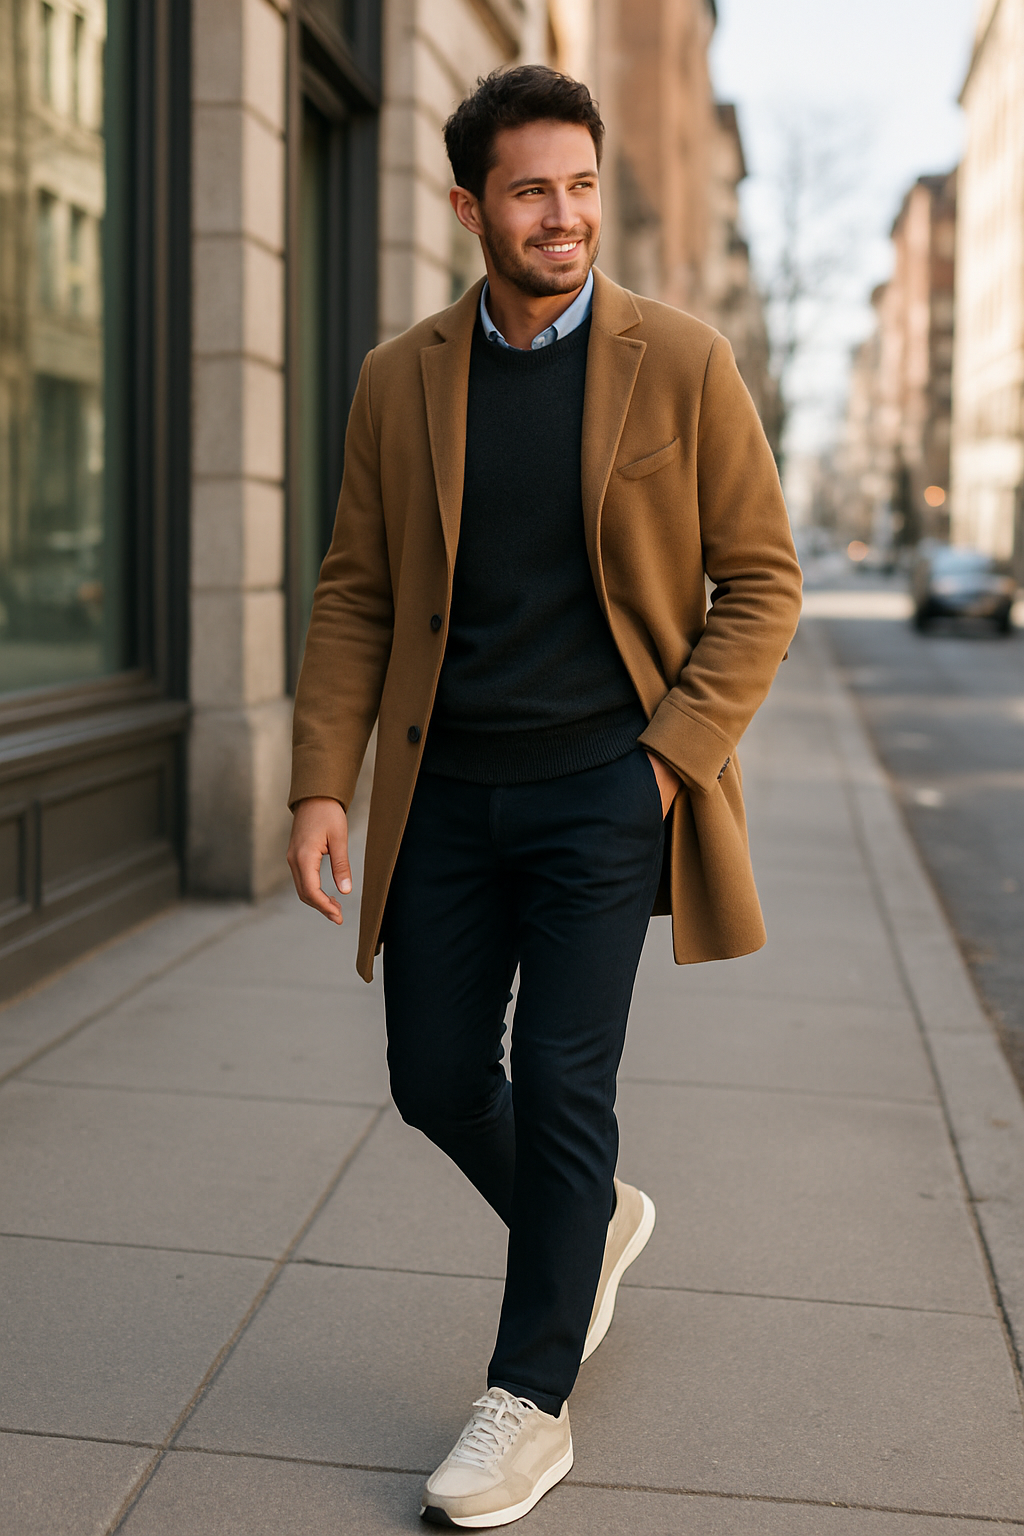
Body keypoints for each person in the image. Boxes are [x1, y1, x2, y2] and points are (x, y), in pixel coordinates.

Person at [287, 64, 802, 1530]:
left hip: (603, 792)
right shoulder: (403, 377)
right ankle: (599, 1226)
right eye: (532, 191)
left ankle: (528, 1402)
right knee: (438, 1080)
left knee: (570, 1086)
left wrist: (662, 763)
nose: (566, 215)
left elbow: (760, 583)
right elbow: (356, 593)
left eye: (579, 186)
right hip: (445, 793)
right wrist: (322, 784)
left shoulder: (682, 362)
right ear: (470, 207)